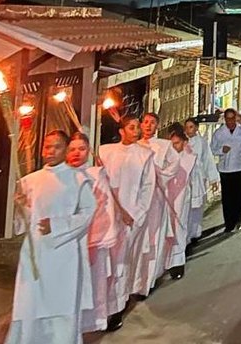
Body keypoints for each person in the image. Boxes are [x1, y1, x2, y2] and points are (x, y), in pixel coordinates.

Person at [7, 130, 95, 344]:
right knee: (30, 303)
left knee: (60, 304)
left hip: (63, 254)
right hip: (34, 252)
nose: (50, 151)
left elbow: (88, 213)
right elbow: (23, 224)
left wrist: (56, 226)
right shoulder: (29, 181)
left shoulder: (79, 180)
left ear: (65, 149)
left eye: (56, 146)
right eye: (47, 146)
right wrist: (19, 207)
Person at [98, 116, 156, 328]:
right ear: (121, 131)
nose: (136, 130)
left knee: (121, 262)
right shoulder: (105, 152)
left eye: (137, 127)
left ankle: (116, 307)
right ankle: (101, 306)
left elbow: (147, 187)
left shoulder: (145, 155)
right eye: (131, 127)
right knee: (106, 264)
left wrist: (137, 214)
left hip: (130, 218)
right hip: (106, 217)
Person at [68, 133, 126, 334]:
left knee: (95, 285)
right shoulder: (58, 177)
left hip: (92, 241)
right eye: (72, 149)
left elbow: (101, 210)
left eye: (82, 149)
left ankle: (96, 320)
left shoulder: (95, 175)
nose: (76, 153)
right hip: (65, 244)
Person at [138, 113, 182, 291]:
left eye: (152, 123)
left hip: (156, 197)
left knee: (155, 235)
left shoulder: (164, 146)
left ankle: (151, 277)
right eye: (146, 122)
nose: (148, 126)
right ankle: (139, 278)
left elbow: (175, 163)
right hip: (139, 199)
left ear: (157, 126)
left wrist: (160, 176)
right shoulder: (135, 146)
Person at [211, 108, 241, 232]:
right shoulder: (219, 133)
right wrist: (222, 150)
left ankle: (238, 218)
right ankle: (229, 223)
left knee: (240, 197)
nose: (230, 121)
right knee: (227, 198)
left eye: (232, 118)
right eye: (228, 118)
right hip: (226, 169)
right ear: (225, 119)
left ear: (236, 118)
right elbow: (212, 149)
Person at [164, 124, 195, 280]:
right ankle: (167, 261)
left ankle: (178, 262)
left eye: (176, 143)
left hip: (182, 198)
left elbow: (194, 178)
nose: (173, 147)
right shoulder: (166, 158)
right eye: (171, 143)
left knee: (179, 228)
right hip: (167, 198)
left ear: (184, 143)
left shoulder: (189, 158)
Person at [184, 118, 220, 245]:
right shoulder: (182, 143)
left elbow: (208, 160)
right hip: (187, 179)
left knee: (198, 207)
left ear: (196, 128)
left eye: (191, 127)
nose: (189, 130)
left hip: (198, 178)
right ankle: (186, 235)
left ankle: (196, 233)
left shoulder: (202, 143)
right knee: (187, 207)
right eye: (187, 127)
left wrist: (213, 179)